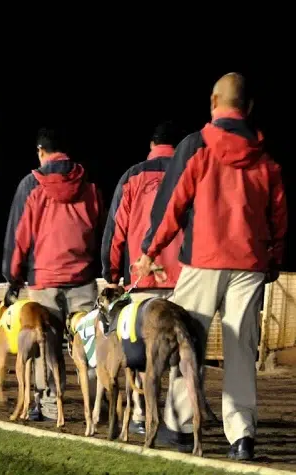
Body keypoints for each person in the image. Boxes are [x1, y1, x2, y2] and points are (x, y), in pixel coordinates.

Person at [133, 73, 287, 461]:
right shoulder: (266, 157)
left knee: (185, 343)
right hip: (249, 264)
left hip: (202, 261)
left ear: (214, 102)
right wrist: (274, 260)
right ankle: (242, 435)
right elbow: (279, 217)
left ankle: (181, 426)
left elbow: (173, 205)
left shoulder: (198, 148)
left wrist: (151, 251)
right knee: (241, 349)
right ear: (249, 107)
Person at [3, 128, 105, 421]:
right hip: (82, 278)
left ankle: (47, 403)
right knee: (90, 344)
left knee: (45, 346)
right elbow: (100, 228)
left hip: (44, 279)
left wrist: (12, 276)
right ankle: (95, 404)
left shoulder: (31, 184)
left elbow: (19, 235)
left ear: (40, 151)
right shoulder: (88, 183)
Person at [100, 121, 185, 434]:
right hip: (183, 278)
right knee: (179, 351)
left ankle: (139, 414)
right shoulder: (190, 169)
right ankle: (178, 419)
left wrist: (111, 274)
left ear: (152, 145)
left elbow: (116, 230)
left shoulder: (133, 176)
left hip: (140, 279)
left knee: (138, 351)